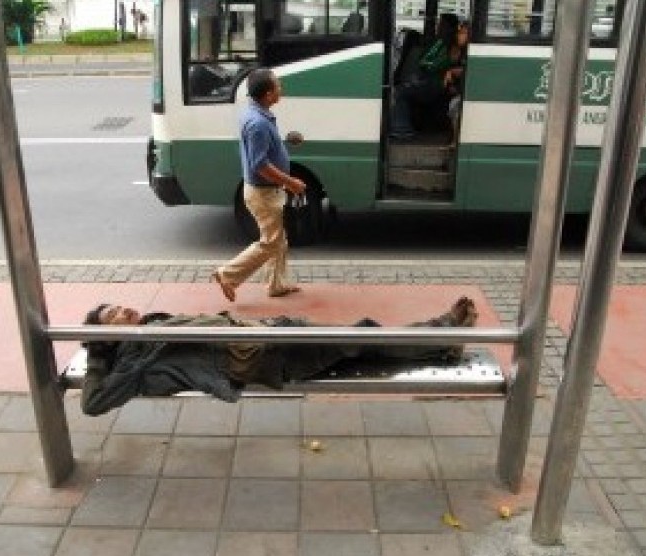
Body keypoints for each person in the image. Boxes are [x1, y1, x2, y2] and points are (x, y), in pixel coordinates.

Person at [78, 297, 478, 416]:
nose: (121, 310)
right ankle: (442, 332)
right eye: (110, 316)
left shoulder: (150, 324)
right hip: (270, 356)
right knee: (361, 338)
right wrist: (99, 353)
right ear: (107, 336)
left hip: (268, 337)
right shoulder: (134, 355)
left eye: (116, 307)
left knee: (359, 348)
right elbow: (94, 403)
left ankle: (441, 341)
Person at [212, 68, 306, 302]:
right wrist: (291, 182)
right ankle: (228, 274)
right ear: (267, 94)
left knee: (278, 240)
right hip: (263, 193)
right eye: (277, 86)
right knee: (271, 243)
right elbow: (260, 165)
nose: (280, 90)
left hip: (264, 190)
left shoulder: (256, 114)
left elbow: (262, 153)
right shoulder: (258, 124)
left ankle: (277, 284)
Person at [391, 13, 461, 138]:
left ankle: (402, 129)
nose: (438, 27)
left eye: (441, 24)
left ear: (448, 27)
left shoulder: (443, 43)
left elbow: (427, 63)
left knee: (401, 92)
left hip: (435, 84)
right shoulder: (445, 42)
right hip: (433, 81)